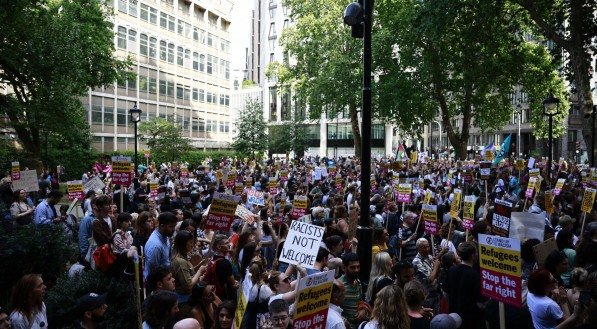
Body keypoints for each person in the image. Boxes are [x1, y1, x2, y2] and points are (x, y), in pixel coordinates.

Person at [444, 241, 484, 329]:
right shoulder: (476, 275)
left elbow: (445, 292)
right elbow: (480, 303)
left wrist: (451, 304)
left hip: (453, 316)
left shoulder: (451, 270)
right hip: (471, 321)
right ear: (473, 255)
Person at [201, 234, 238, 301]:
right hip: (223, 297)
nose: (229, 244)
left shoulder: (212, 259)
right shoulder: (225, 263)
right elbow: (233, 284)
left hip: (214, 294)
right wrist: (237, 284)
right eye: (226, 243)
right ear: (219, 246)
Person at [171, 230, 204, 303]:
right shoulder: (180, 261)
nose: (192, 245)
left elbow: (188, 272)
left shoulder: (184, 257)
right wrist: (199, 272)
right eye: (190, 242)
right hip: (183, 299)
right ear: (183, 244)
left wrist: (199, 266)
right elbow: (188, 286)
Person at [144, 212, 178, 281]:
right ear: (162, 226)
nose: (174, 229)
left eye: (174, 226)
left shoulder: (165, 235)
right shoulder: (155, 245)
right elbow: (153, 272)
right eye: (171, 227)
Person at [339, 252, 368, 329]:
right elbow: (333, 309)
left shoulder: (358, 282)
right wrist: (344, 321)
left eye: (358, 267)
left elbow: (361, 302)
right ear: (344, 268)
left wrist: (363, 310)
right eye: (352, 267)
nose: (356, 270)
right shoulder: (339, 285)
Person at [412, 238, 441, 313]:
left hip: (435, 292)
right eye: (424, 247)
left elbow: (436, 274)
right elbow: (430, 279)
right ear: (418, 248)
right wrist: (436, 267)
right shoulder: (416, 262)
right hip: (426, 296)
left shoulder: (430, 257)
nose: (427, 249)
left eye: (428, 246)